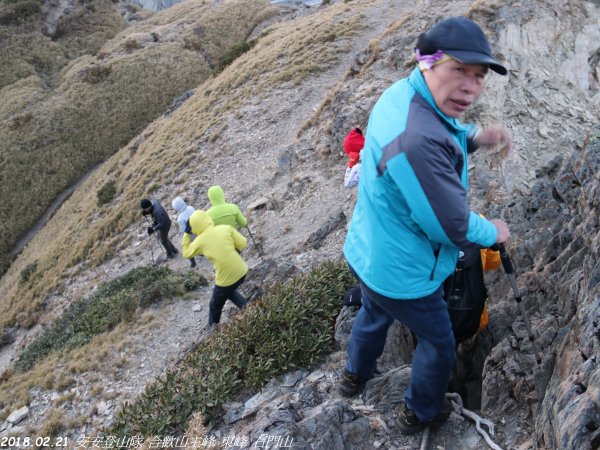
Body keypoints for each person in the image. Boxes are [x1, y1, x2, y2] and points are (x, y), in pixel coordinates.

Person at [338, 17, 512, 435]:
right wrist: (496, 232)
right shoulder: (417, 138)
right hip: (405, 271)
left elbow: (436, 127)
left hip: (371, 252)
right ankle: (420, 411)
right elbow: (451, 227)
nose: (471, 86)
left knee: (373, 312)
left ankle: (353, 375)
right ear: (427, 62)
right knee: (438, 342)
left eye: (479, 76)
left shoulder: (401, 95)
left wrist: (473, 138)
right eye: (459, 70)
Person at [181, 210, 249, 328]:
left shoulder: (199, 241)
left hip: (226, 277)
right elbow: (243, 243)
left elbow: (186, 253)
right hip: (242, 270)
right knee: (228, 291)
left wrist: (186, 233)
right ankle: (247, 307)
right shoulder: (225, 228)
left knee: (214, 305)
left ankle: (213, 330)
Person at [172, 197, 197, 268]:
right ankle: (202, 253)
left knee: (186, 247)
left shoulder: (180, 218)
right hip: (199, 228)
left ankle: (193, 263)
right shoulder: (190, 207)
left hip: (191, 233)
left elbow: (183, 231)